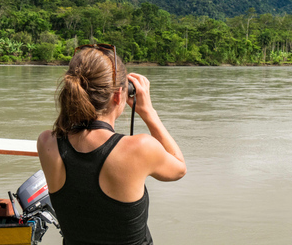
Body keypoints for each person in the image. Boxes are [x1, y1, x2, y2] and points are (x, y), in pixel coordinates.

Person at [37, 44, 186, 245]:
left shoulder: (48, 142)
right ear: (118, 96)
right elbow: (179, 169)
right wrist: (149, 112)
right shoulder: (140, 148)